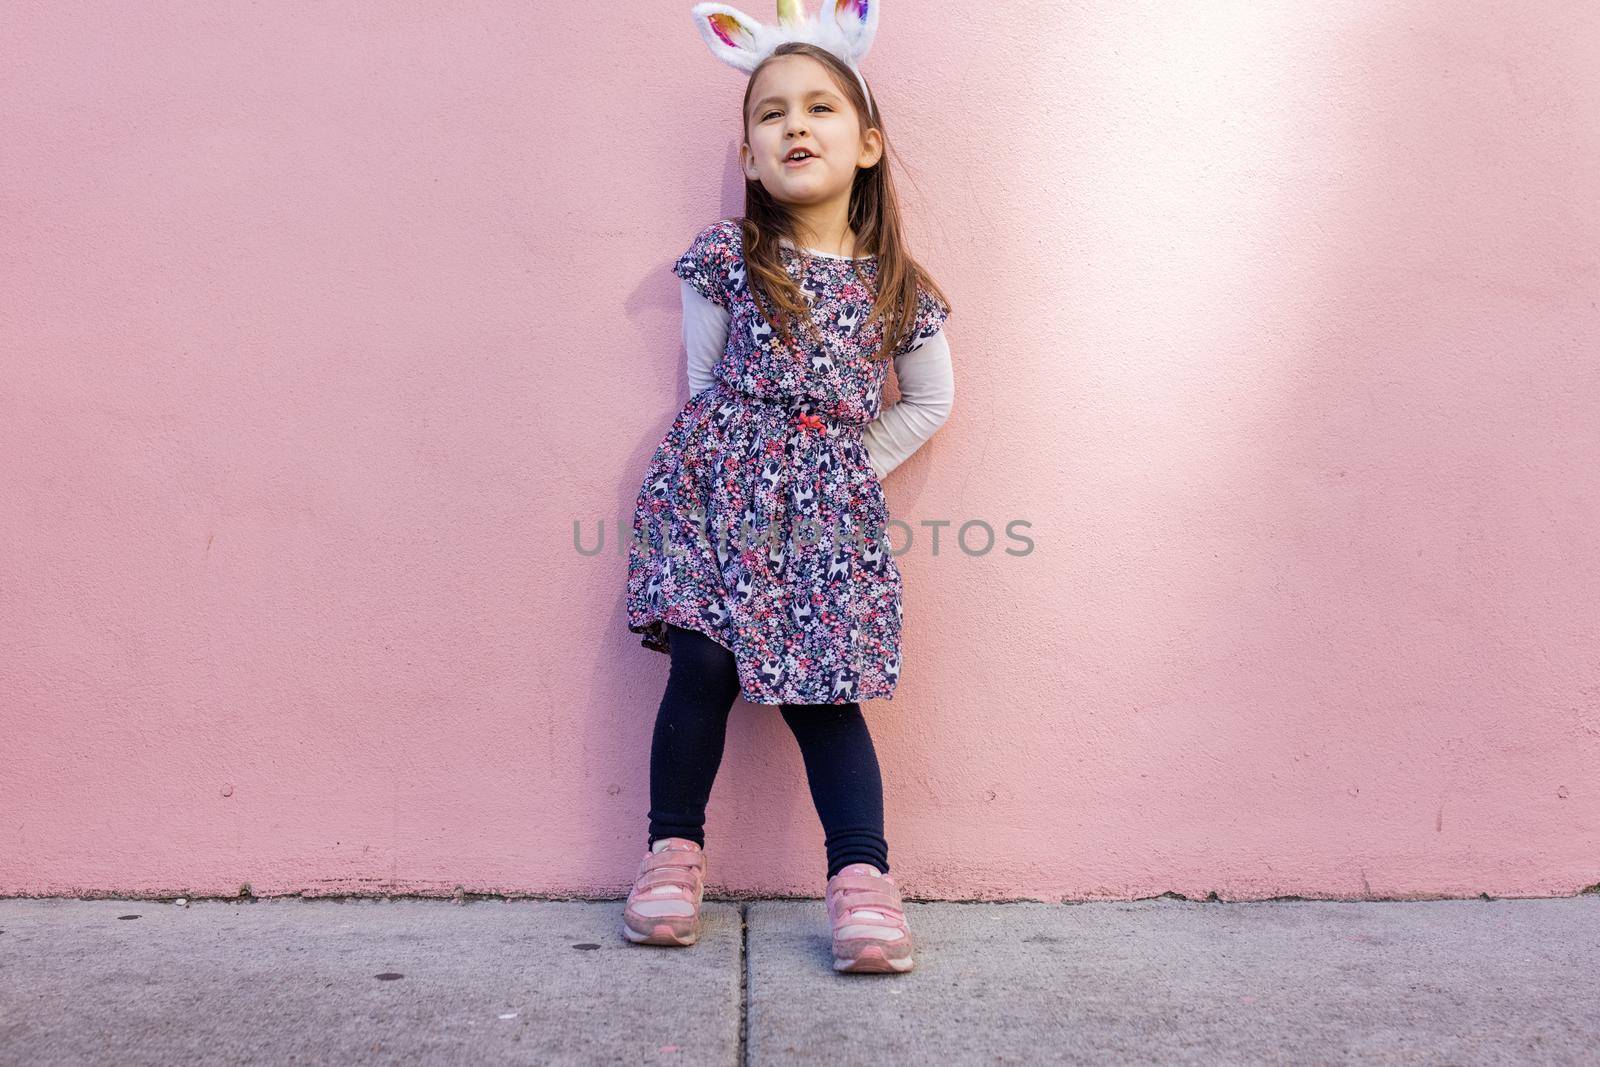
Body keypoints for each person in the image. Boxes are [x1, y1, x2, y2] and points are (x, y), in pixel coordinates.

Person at [621, 0, 955, 975]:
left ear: (866, 142)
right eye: (771, 114)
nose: (794, 125)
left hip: (827, 522)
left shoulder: (898, 285)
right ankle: (670, 857)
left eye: (818, 107)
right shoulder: (727, 261)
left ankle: (862, 882)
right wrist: (749, 478)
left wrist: (845, 467)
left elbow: (928, 400)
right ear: (750, 153)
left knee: (825, 693)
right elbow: (708, 390)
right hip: (714, 505)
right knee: (702, 669)